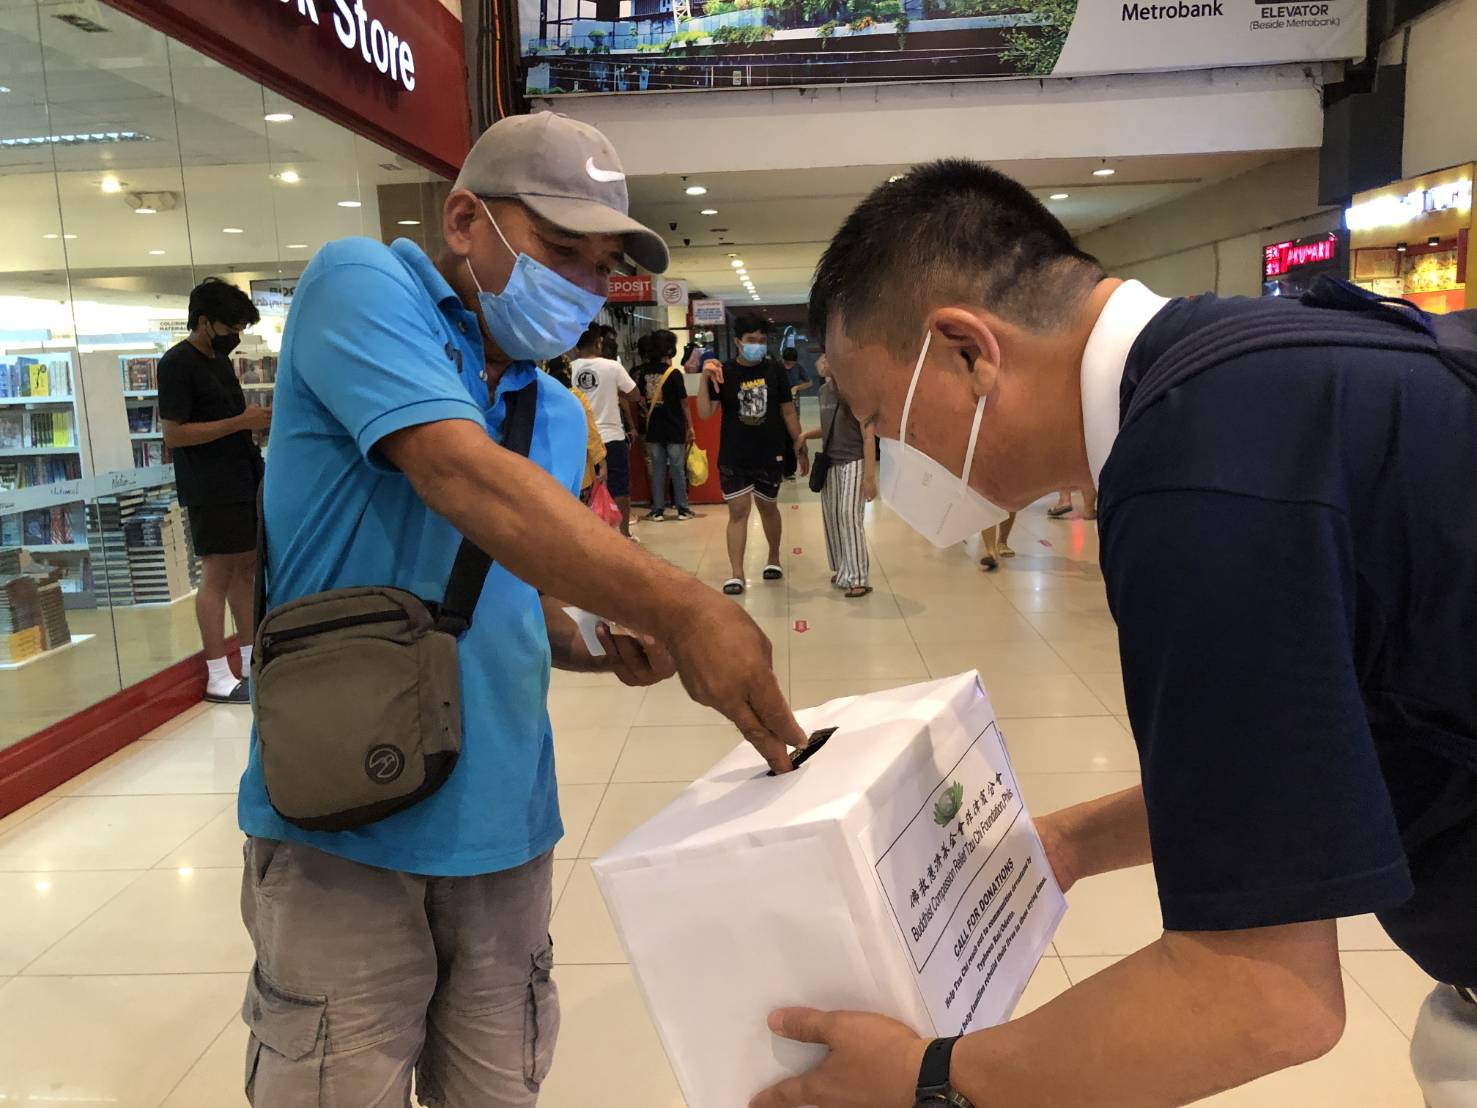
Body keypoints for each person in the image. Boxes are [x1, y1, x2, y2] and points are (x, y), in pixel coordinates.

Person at [751, 159, 1477, 1108]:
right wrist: (1072, 842)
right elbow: (1323, 737)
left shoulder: (1195, 481)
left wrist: (932, 1080)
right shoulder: (1254, 366)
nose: (891, 467)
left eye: (883, 421)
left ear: (968, 351)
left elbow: (1261, 997)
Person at [237, 112, 804, 1108]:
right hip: (341, 826)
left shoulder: (546, 412)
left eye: (598, 268)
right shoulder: (357, 285)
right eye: (557, 250)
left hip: (504, 830)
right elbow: (460, 478)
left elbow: (507, 596)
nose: (579, 288)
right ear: (464, 219)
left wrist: (598, 638)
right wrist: (681, 606)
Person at [158, 277, 269, 704]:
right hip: (209, 486)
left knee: (246, 569)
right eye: (230, 327)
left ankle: (247, 660)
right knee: (217, 574)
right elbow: (175, 434)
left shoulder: (219, 364)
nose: (235, 337)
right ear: (204, 322)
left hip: (241, 477)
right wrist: (240, 423)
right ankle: (217, 673)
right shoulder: (176, 365)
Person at [696, 312, 808, 596]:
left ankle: (773, 557)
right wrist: (704, 379)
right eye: (751, 340)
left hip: (770, 452)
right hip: (734, 454)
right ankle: (736, 573)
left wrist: (800, 442)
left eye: (761, 340)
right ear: (737, 342)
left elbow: (787, 410)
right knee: (738, 511)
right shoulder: (724, 372)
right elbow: (705, 413)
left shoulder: (775, 370)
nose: (757, 344)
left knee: (768, 507)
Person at [800, 353, 875, 597]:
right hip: (830, 462)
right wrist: (804, 436)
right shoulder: (823, 392)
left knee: (848, 515)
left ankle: (857, 577)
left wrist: (870, 477)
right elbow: (829, 427)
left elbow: (868, 434)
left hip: (853, 460)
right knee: (832, 516)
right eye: (822, 357)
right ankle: (843, 568)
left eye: (827, 357)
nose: (821, 362)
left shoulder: (855, 391)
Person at [571, 323, 639, 536]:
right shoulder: (612, 367)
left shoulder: (568, 368)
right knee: (620, 488)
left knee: (585, 488)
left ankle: (590, 534)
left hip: (582, 439)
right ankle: (623, 534)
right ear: (598, 342)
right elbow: (635, 395)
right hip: (612, 437)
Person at [633, 329, 694, 522]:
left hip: (653, 428)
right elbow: (684, 403)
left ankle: (657, 509)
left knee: (658, 469)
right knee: (677, 468)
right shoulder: (673, 373)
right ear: (668, 350)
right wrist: (690, 426)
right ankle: (682, 508)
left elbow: (640, 400)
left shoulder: (643, 373)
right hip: (674, 426)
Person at [780, 347, 812, 480]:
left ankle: (790, 470)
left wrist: (797, 387)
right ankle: (778, 469)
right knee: (780, 437)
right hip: (778, 406)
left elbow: (809, 382)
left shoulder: (799, 368)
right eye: (787, 363)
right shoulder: (777, 367)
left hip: (793, 406)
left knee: (793, 436)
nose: (789, 366)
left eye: (791, 364)